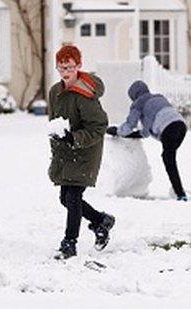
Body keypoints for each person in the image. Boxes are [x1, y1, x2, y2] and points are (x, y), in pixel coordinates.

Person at [46, 44, 114, 260]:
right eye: (61, 68)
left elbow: (99, 126)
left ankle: (69, 243)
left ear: (79, 66)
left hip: (85, 152)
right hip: (66, 151)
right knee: (65, 198)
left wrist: (74, 138)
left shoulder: (85, 95)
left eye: (70, 68)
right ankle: (100, 220)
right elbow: (54, 120)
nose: (65, 73)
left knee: (73, 197)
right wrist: (57, 138)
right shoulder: (55, 92)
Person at [107, 80, 188, 201]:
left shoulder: (138, 103)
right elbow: (147, 130)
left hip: (168, 128)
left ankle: (180, 194)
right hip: (181, 125)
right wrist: (134, 135)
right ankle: (177, 189)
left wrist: (117, 131)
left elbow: (130, 124)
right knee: (169, 158)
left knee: (168, 159)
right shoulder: (158, 97)